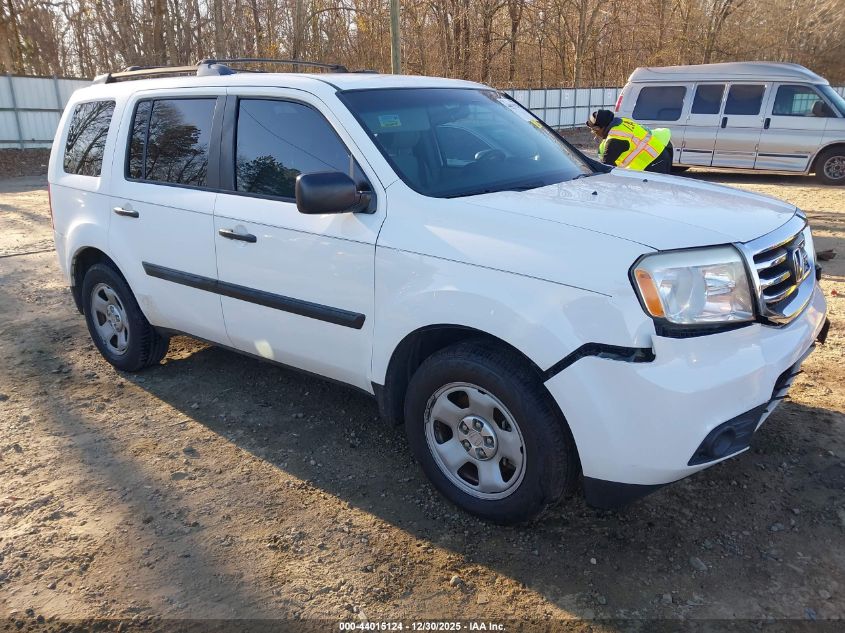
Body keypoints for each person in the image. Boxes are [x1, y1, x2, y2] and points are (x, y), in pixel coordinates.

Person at [586, 109, 672, 173]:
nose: (593, 132)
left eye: (593, 129)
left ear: (600, 128)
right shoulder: (622, 122)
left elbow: (606, 167)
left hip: (654, 163)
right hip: (660, 155)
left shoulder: (615, 139)